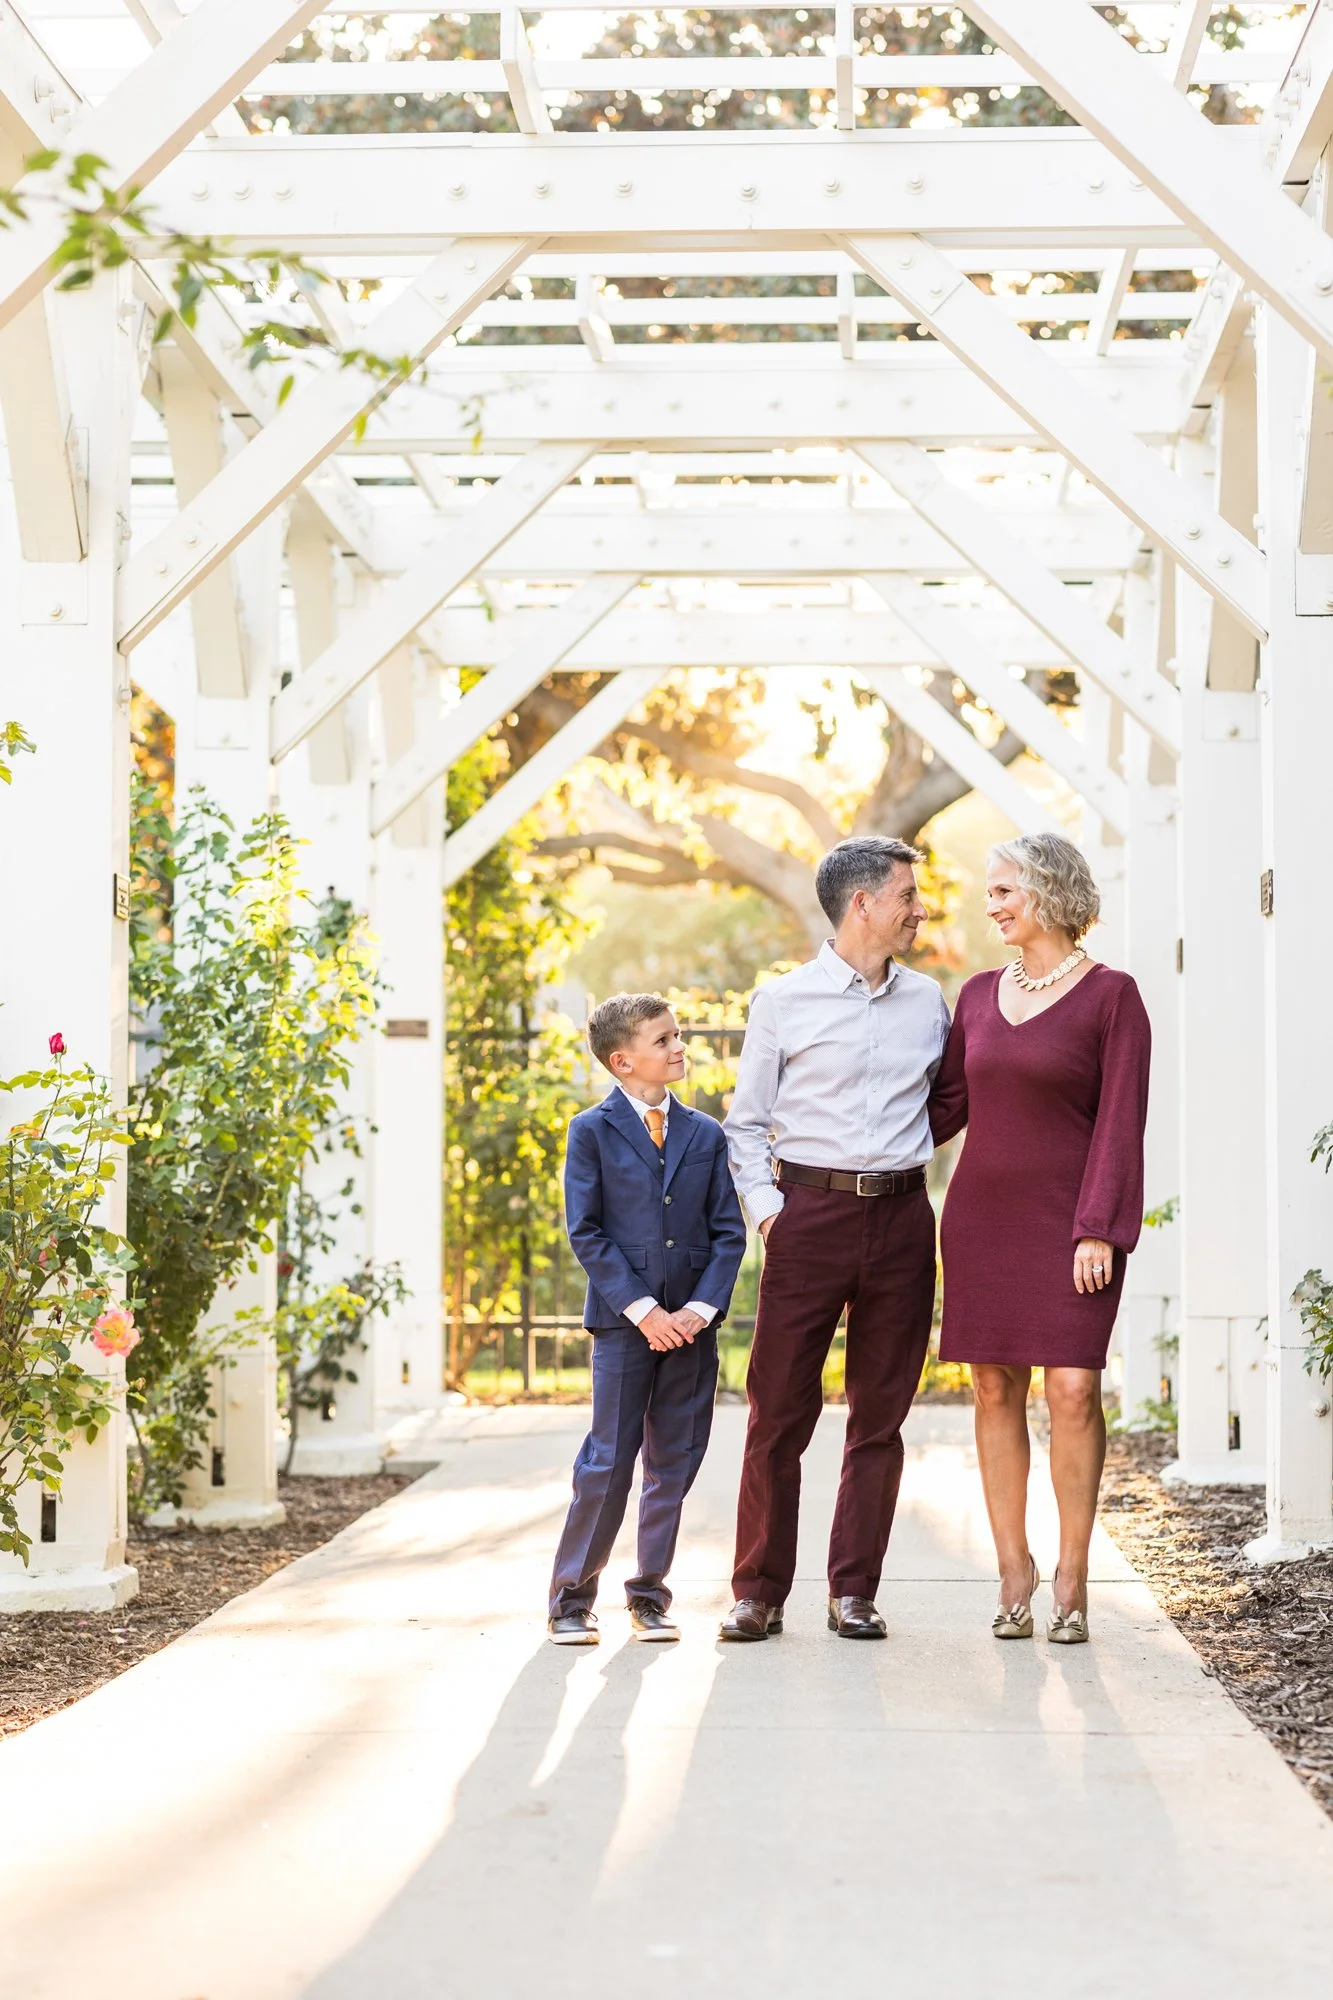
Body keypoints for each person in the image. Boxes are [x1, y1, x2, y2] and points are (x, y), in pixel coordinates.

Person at [720, 836, 950, 1642]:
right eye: (908, 897)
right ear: (864, 905)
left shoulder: (928, 1001)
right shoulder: (782, 1002)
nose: (918, 910)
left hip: (899, 1219)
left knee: (878, 1417)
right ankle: (758, 1591)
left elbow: (946, 1101)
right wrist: (770, 1212)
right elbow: (744, 1125)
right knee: (777, 1412)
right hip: (807, 1217)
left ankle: (853, 1589)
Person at [929, 833, 1150, 1646]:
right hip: (982, 1219)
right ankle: (1012, 1569)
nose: (989, 906)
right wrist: (837, 1138)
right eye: (988, 893)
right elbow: (943, 1107)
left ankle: (1072, 1570)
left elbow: (1120, 1122)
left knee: (1071, 1391)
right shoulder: (977, 994)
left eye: (1001, 891)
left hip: (1071, 1224)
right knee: (993, 1388)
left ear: (1047, 892)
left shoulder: (1111, 996)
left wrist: (1097, 1228)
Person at [548, 992, 747, 1646]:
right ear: (622, 1060)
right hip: (623, 1326)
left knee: (675, 1461)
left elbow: (727, 1235)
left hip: (691, 1330)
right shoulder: (591, 1131)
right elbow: (588, 1232)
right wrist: (642, 1311)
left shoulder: (706, 1134)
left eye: (676, 1035)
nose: (677, 1046)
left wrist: (694, 1310)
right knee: (607, 1460)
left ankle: (648, 1595)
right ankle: (572, 1598)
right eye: (662, 1040)